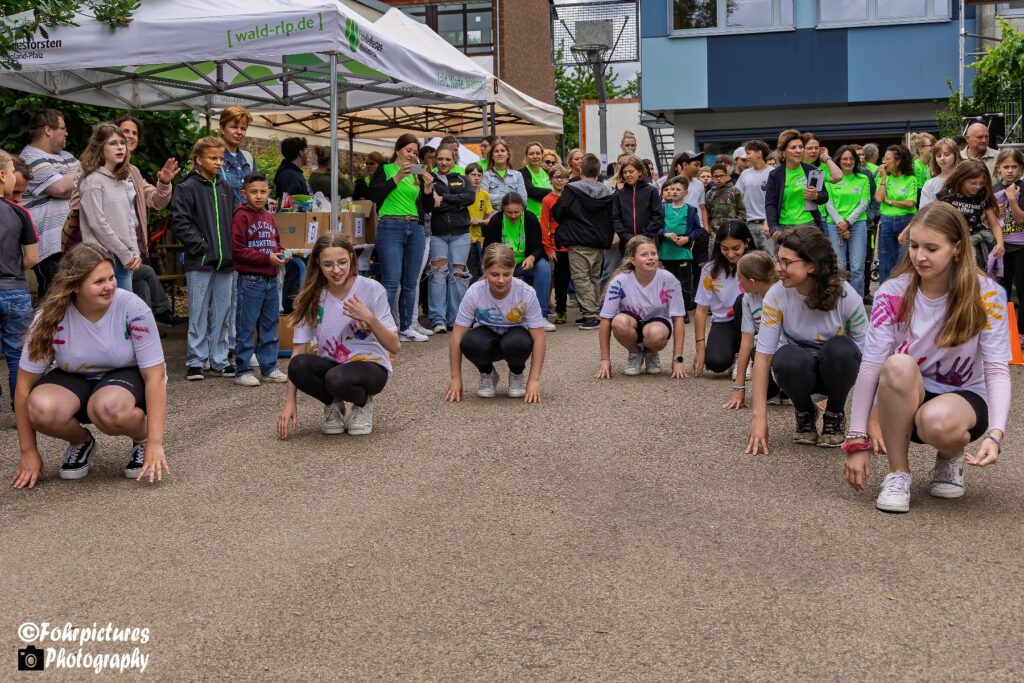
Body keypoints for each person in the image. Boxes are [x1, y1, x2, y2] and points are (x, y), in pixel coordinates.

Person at [841, 203, 1010, 513]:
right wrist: (856, 438)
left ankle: (950, 456)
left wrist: (995, 435)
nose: (919, 256)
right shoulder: (892, 293)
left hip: (962, 400)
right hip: (906, 395)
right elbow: (871, 366)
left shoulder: (987, 294)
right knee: (897, 364)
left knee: (936, 422)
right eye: (915, 246)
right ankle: (898, 474)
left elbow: (997, 369)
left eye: (932, 248)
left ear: (957, 248)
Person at [11, 244, 169, 488]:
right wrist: (28, 451)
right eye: (99, 282)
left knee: (108, 408)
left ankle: (142, 439)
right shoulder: (50, 316)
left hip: (124, 376)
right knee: (40, 407)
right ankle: (81, 441)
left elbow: (155, 377)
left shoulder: (133, 307)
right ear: (75, 285)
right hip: (75, 375)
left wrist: (155, 443)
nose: (110, 286)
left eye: (111, 277)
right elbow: (23, 386)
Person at [745, 227, 867, 453]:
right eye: (778, 259)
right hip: (798, 371)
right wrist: (759, 418)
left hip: (835, 370)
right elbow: (763, 356)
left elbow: (869, 357)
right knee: (786, 357)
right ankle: (805, 412)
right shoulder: (776, 295)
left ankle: (834, 414)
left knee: (842, 349)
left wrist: (868, 421)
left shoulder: (846, 295)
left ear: (812, 265)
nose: (778, 268)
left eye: (786, 262)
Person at [277, 234, 399, 438]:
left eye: (342, 262)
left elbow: (395, 346)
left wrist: (369, 318)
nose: (336, 270)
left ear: (351, 257)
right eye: (328, 264)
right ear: (318, 263)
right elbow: (298, 351)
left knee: (336, 379)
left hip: (370, 366)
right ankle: (333, 404)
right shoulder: (312, 296)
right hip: (333, 364)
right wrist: (290, 402)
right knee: (298, 366)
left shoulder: (372, 289)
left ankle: (363, 404)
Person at [443, 243, 546, 402]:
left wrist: (534, 380)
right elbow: (456, 337)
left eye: (506, 274)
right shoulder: (474, 292)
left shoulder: (526, 292)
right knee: (469, 342)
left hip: (515, 337)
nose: (501, 280)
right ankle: (487, 373)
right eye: (494, 274)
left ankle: (516, 373)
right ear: (484, 270)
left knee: (517, 343)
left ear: (514, 269)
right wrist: (455, 378)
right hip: (486, 337)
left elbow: (539, 339)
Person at [170, 137, 236, 381]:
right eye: (213, 158)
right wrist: (201, 246)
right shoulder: (187, 188)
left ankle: (219, 359)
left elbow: (234, 222)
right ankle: (196, 361)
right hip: (200, 262)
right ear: (199, 159)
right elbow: (180, 221)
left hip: (226, 262)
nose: (219, 162)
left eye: (221, 158)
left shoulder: (226, 188)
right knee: (198, 313)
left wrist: (231, 250)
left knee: (223, 313)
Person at [367, 134, 435, 343]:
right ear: (398, 150)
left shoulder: (416, 174)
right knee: (391, 280)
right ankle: (384, 329)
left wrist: (427, 188)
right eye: (408, 150)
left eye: (415, 152)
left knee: (411, 281)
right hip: (390, 226)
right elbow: (374, 194)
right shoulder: (385, 170)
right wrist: (397, 176)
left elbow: (427, 207)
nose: (412, 155)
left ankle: (406, 327)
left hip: (415, 227)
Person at [595, 236, 686, 379]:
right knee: (618, 322)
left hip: (658, 325)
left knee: (655, 334)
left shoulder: (669, 280)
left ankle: (650, 352)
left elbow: (678, 318)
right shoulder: (619, 281)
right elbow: (605, 319)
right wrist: (605, 360)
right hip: (631, 323)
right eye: (644, 254)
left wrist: (677, 360)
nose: (650, 258)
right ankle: (635, 352)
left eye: (653, 253)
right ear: (633, 260)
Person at [229, 172, 287, 386]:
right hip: (250, 280)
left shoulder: (269, 216)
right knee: (246, 326)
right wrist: (266, 258)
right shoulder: (241, 216)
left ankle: (269, 367)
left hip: (271, 278)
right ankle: (243, 370)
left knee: (270, 325)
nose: (259, 196)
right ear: (244, 193)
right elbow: (237, 250)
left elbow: (275, 242)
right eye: (254, 192)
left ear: (269, 193)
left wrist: (281, 252)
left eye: (263, 192)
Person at [20, 109, 81, 299]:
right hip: (51, 248)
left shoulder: (67, 155)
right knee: (54, 299)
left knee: (74, 301)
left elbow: (90, 182)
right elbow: (61, 188)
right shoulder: (29, 158)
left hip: (75, 242)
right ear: (48, 130)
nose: (67, 133)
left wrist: (73, 178)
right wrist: (81, 176)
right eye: (63, 128)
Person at [552, 153, 614, 330]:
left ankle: (591, 314)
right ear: (598, 172)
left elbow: (558, 211)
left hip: (578, 240)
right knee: (594, 277)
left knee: (581, 277)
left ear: (580, 170)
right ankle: (592, 310)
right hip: (598, 241)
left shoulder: (572, 190)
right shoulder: (606, 192)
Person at [76, 123, 141, 292]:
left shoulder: (121, 180)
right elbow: (98, 224)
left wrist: (135, 252)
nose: (120, 147)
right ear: (99, 147)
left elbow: (129, 220)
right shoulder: (92, 181)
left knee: (124, 305)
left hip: (124, 258)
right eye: (113, 143)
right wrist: (125, 254)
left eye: (122, 143)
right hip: (102, 258)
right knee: (111, 306)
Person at [483, 193, 555, 331]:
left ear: (523, 208)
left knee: (544, 268)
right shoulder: (496, 220)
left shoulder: (530, 218)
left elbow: (539, 247)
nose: (513, 216)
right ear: (502, 209)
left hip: (524, 264)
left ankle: (541, 316)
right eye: (509, 212)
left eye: (517, 212)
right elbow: (488, 248)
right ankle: (495, 315)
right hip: (502, 265)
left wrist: (532, 257)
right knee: (488, 272)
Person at [0, 150, 38, 412]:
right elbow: (32, 258)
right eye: (14, 173)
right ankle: (20, 408)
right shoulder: (20, 213)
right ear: (3, 176)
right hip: (14, 290)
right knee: (17, 355)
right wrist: (14, 266)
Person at [114, 115, 178, 263]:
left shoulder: (134, 172)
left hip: (133, 248)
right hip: (106, 249)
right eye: (125, 131)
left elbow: (157, 201)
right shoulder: (99, 168)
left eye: (134, 133)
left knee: (146, 275)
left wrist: (164, 183)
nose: (130, 135)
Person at [692, 221, 752, 377]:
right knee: (715, 362)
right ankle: (733, 353)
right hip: (724, 321)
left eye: (736, 248)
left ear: (746, 242)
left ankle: (745, 358)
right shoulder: (710, 270)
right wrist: (700, 349)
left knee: (742, 301)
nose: (730, 254)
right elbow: (701, 309)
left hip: (754, 322)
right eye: (725, 248)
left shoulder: (757, 264)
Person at [723, 251, 780, 410]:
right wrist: (739, 387)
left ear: (752, 281)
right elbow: (746, 342)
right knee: (758, 351)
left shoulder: (785, 293)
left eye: (740, 278)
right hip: (766, 350)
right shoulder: (748, 298)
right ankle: (775, 391)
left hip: (789, 352)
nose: (738, 282)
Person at [427, 146, 475, 334]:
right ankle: (437, 319)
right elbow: (430, 204)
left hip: (461, 234)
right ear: (435, 160)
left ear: (454, 160)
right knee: (438, 275)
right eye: (440, 159)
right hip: (437, 234)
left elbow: (470, 197)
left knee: (458, 275)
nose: (444, 162)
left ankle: (455, 319)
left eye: (448, 159)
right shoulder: (429, 179)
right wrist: (457, 203)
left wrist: (444, 199)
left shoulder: (462, 179)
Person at [934, 159, 1003, 269]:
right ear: (961, 178)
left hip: (974, 243)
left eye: (981, 183)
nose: (978, 186)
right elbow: (930, 215)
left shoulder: (983, 194)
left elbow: (994, 224)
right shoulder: (949, 192)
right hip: (951, 243)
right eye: (973, 183)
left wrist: (1000, 243)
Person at [822, 145, 871, 296]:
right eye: (844, 159)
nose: (848, 162)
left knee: (857, 268)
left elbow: (864, 203)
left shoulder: (863, 179)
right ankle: (840, 300)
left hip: (857, 225)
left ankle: (856, 301)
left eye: (851, 159)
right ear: (838, 160)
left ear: (856, 161)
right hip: (834, 225)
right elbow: (828, 203)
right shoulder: (831, 178)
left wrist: (848, 222)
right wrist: (840, 223)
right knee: (839, 267)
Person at [765, 129, 829, 237]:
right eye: (793, 147)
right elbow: (770, 204)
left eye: (801, 147)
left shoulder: (812, 171)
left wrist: (816, 196)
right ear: (783, 152)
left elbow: (825, 196)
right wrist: (773, 228)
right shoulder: (775, 175)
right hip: (785, 228)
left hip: (810, 226)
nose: (798, 150)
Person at [993, 148, 1024, 345]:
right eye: (1006, 167)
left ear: (1021, 168)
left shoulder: (1022, 188)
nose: (1010, 170)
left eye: (1014, 166)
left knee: (1022, 290)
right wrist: (995, 213)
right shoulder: (994, 189)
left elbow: (1021, 219)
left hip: (1021, 246)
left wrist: (1012, 200)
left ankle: (1021, 332)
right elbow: (987, 221)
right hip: (1002, 247)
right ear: (999, 169)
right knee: (1001, 292)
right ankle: (1003, 332)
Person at [658, 175, 701, 318]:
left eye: (678, 189)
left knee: (684, 283)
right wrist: (665, 234)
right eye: (672, 189)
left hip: (683, 252)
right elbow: (656, 227)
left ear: (685, 193)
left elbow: (697, 230)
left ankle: (683, 311)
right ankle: (668, 310)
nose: (674, 192)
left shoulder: (691, 210)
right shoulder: (663, 208)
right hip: (666, 252)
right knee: (667, 282)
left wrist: (687, 238)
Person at [875, 144, 918, 283]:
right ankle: (886, 292)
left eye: (888, 159)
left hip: (905, 221)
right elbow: (879, 198)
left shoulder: (910, 179)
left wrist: (890, 201)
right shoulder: (883, 178)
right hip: (886, 221)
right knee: (885, 260)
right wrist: (883, 179)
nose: (884, 162)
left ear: (898, 161)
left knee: (904, 261)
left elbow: (911, 203)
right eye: (884, 158)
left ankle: (905, 292)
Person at [541, 165, 571, 324]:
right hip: (557, 244)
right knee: (560, 279)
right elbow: (543, 224)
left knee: (579, 278)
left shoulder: (572, 196)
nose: (560, 180)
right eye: (556, 177)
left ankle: (586, 309)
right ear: (550, 179)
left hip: (573, 242)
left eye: (563, 177)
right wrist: (548, 248)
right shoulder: (547, 199)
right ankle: (561, 310)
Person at [612, 156, 664, 246]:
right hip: (627, 243)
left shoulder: (651, 191)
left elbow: (657, 216)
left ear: (639, 172)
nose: (627, 175)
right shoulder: (618, 194)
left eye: (631, 171)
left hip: (648, 242)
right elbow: (616, 218)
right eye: (624, 172)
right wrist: (626, 236)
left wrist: (644, 235)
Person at [736, 139, 774, 254]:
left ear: (759, 153)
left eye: (748, 153)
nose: (746, 157)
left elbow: (777, 201)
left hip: (767, 225)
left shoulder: (773, 173)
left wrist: (769, 222)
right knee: (749, 259)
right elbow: (737, 197)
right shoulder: (745, 174)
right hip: (747, 225)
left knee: (769, 259)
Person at [217, 106, 257, 205]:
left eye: (243, 128)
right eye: (234, 127)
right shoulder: (213, 157)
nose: (239, 132)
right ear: (222, 128)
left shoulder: (248, 158)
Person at [705, 163, 747, 254]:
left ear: (727, 176)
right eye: (716, 176)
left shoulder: (734, 191)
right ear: (712, 178)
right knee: (713, 257)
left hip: (731, 232)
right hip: (715, 233)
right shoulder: (709, 194)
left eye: (721, 176)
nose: (719, 179)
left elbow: (742, 212)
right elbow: (707, 215)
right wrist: (711, 231)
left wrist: (736, 228)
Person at [481, 139, 527, 217]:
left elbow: (523, 200)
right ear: (492, 156)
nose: (499, 154)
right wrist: (510, 197)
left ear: (508, 154)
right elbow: (483, 199)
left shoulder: (517, 175)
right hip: (493, 218)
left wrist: (494, 198)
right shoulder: (485, 175)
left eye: (502, 151)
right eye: (496, 151)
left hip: (513, 217)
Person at [465, 162, 493, 281]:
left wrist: (480, 221)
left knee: (476, 271)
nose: (476, 178)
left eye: (479, 175)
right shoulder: (462, 193)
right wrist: (467, 221)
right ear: (466, 176)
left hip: (477, 239)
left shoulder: (484, 194)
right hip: (463, 237)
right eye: (473, 175)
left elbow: (490, 219)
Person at [919, 137, 960, 208]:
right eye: (938, 156)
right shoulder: (929, 184)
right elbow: (924, 210)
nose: (942, 158)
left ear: (955, 155)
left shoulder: (964, 179)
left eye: (947, 154)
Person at [520, 141, 552, 221]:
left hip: (548, 218)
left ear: (542, 155)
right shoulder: (522, 173)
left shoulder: (547, 173)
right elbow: (531, 191)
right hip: (531, 218)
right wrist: (551, 192)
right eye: (531, 154)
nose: (535, 156)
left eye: (538, 153)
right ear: (526, 156)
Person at [274, 137, 310, 202]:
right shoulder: (290, 176)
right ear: (301, 152)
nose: (308, 154)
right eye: (306, 150)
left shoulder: (293, 173)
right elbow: (290, 205)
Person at [912, 132, 936, 197]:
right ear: (920, 149)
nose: (933, 148)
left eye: (934, 145)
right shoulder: (914, 166)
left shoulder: (927, 165)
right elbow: (918, 192)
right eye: (931, 145)